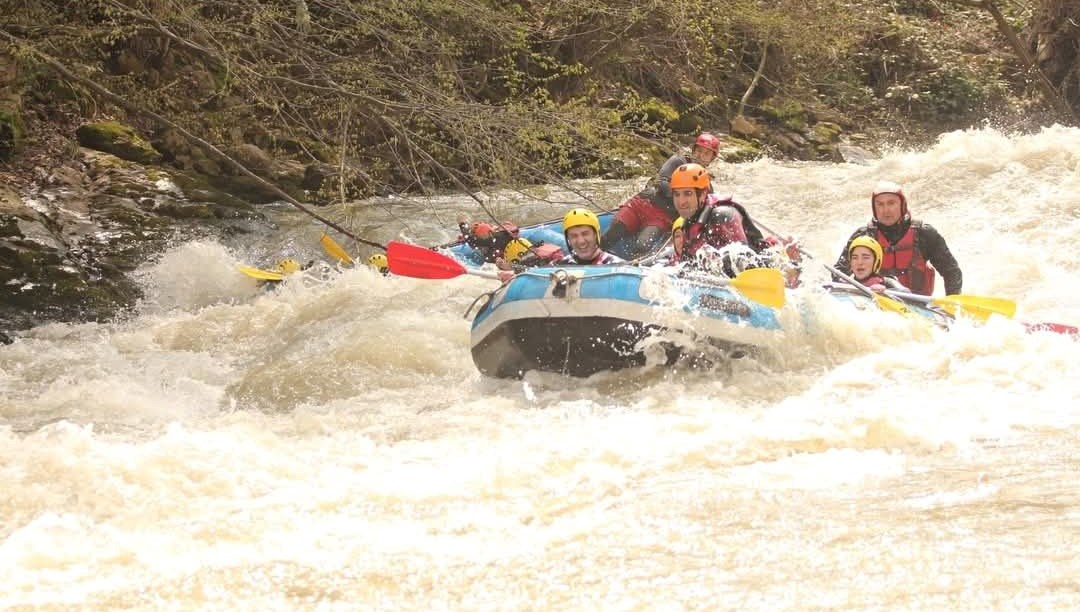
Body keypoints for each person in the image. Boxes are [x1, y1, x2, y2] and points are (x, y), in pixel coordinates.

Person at [601, 132, 723, 259]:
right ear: (693, 150)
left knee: (642, 245)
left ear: (711, 159)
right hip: (641, 204)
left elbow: (706, 208)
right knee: (612, 233)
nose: (701, 156)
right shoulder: (678, 161)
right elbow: (661, 181)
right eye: (699, 151)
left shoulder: (706, 186)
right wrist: (683, 194)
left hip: (661, 217)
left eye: (706, 154)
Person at [835, 180, 962, 296]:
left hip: (919, 305)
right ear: (874, 208)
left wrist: (951, 306)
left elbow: (951, 271)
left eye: (891, 203)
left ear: (902, 205)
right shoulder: (863, 236)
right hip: (875, 301)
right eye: (880, 204)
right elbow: (839, 272)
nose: (886, 210)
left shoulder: (924, 233)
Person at [558, 208, 624, 265]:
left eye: (585, 234)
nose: (581, 241)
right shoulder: (559, 267)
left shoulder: (617, 266)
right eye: (574, 236)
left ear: (596, 234)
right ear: (568, 239)